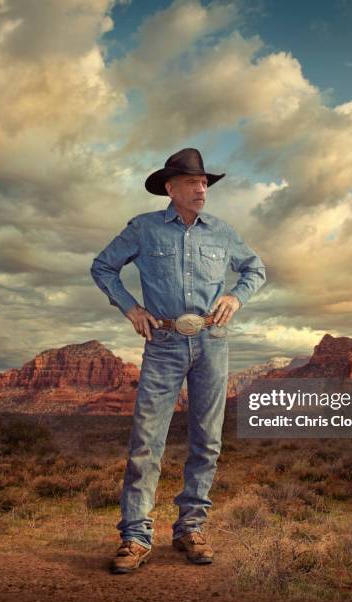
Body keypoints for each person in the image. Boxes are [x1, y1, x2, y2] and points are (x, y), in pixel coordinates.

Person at [90, 147, 266, 574]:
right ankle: (135, 537)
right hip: (164, 342)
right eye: (193, 182)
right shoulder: (144, 229)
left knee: (207, 441)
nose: (201, 188)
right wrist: (131, 309)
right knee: (146, 443)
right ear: (170, 188)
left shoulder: (223, 232)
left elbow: (255, 269)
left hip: (212, 341)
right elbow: (103, 267)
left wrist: (234, 297)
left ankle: (191, 528)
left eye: (205, 182)